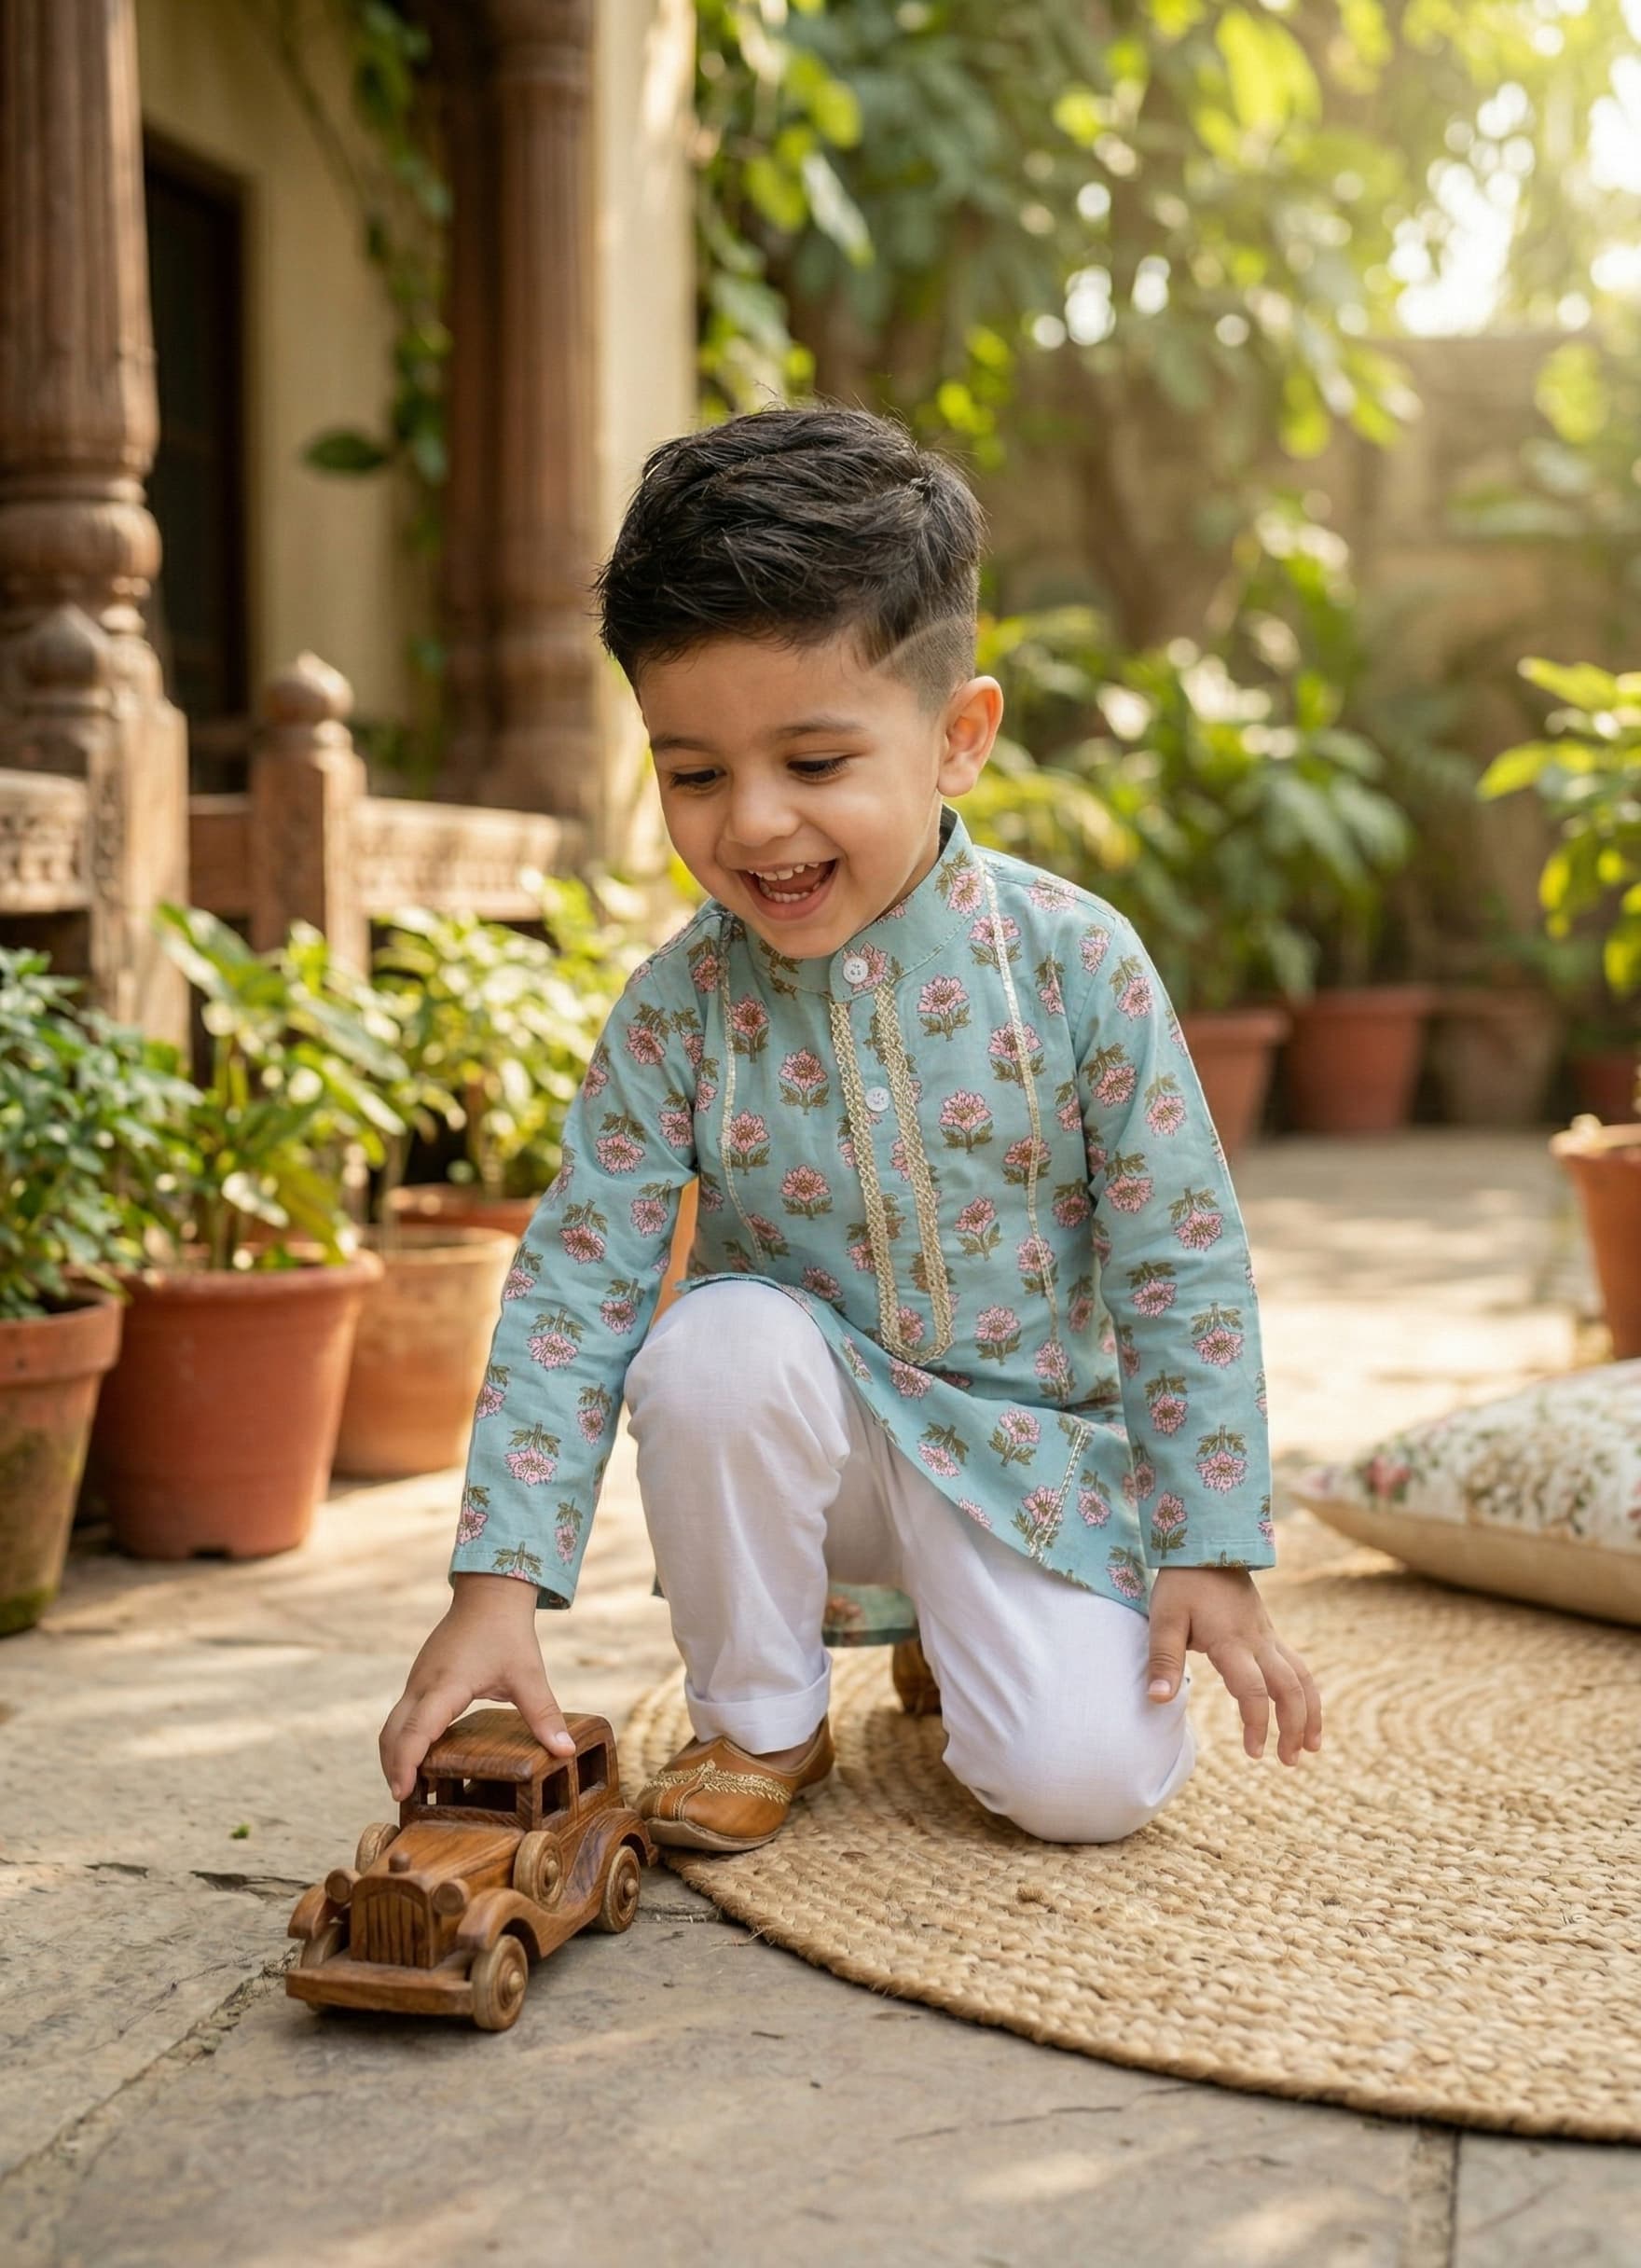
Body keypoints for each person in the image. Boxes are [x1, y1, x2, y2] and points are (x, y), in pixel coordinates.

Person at [379, 404, 1322, 1850]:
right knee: (711, 1346)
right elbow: (579, 1285)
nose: (752, 824)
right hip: (802, 1451)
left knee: (1089, 1789)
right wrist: (493, 1585)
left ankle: (965, 1628)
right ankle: (762, 1718)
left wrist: (1208, 1548)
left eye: (813, 765)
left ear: (958, 738)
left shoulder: (1075, 965)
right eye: (694, 773)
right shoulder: (678, 1010)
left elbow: (1178, 1261)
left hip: (1030, 1464)